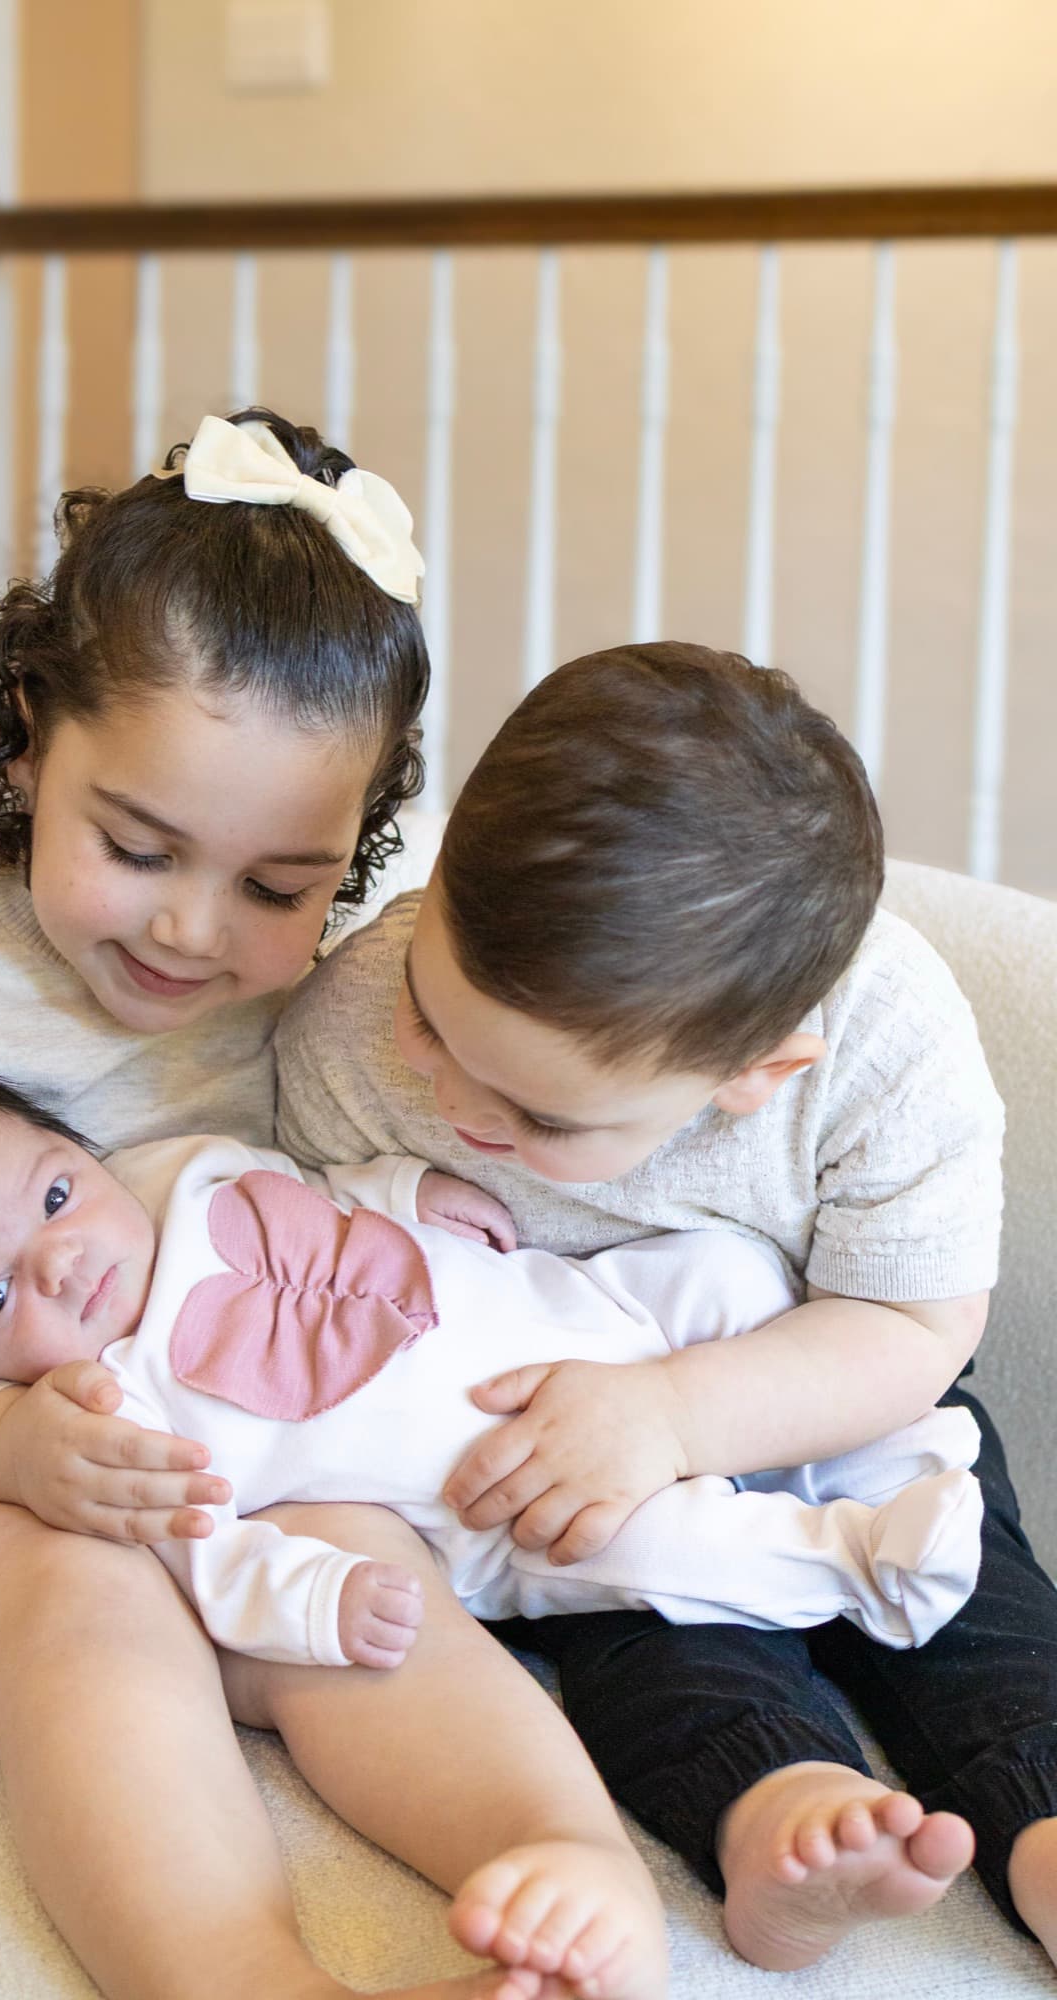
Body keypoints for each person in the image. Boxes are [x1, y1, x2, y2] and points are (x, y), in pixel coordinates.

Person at [0, 413, 665, 2000]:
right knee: (86, 1591)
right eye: (139, 847)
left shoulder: (325, 1001)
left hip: (211, 1463)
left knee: (355, 1572)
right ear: (34, 736)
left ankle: (572, 1873)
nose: (193, 931)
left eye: (277, 887)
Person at [274, 640, 1057, 1974]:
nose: (456, 1104)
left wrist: (681, 1413)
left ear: (756, 1073)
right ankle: (780, 1822)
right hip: (566, 1436)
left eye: (536, 1115)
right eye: (433, 1019)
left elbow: (918, 1329)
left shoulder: (889, 1046)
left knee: (982, 1606)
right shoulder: (348, 1018)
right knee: (653, 1638)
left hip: (837, 1387)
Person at [0, 1063, 985, 1660]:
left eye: (51, 1191)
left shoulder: (178, 1168)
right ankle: (856, 1565)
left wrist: (416, 1189)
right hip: (508, 1503)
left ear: (76, 1148)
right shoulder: (115, 1415)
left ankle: (886, 1447)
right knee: (653, 1546)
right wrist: (320, 1605)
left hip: (576, 1314)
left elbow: (320, 1189)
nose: (59, 1260)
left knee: (724, 1273)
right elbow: (216, 1556)